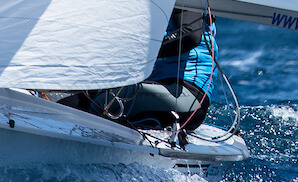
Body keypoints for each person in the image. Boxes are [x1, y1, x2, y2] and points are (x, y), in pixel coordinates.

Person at [60, 8, 217, 132]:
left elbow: (190, 36)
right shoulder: (160, 2)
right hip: (161, 93)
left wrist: (146, 52)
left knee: (102, 102)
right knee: (74, 101)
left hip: (186, 96)